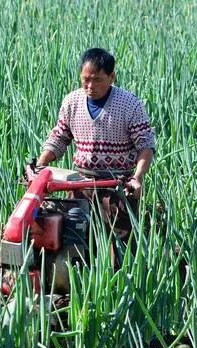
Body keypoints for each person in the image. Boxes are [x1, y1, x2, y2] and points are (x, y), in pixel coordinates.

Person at [36, 48, 155, 249]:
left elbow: (146, 145)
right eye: (85, 80)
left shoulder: (129, 104)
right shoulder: (72, 102)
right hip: (80, 186)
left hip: (116, 186)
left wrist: (138, 177)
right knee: (75, 241)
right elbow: (60, 137)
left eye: (97, 80)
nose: (90, 86)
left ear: (111, 77)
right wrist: (41, 164)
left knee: (119, 248)